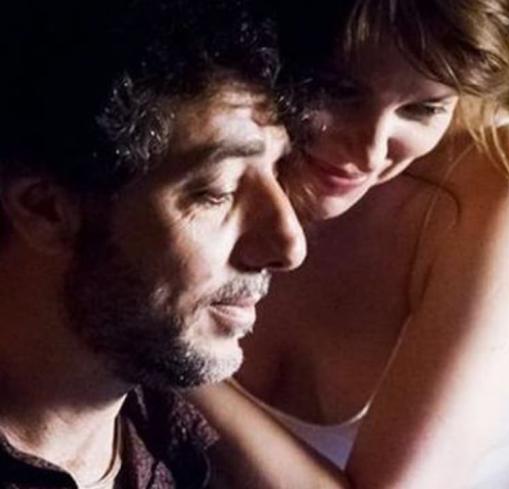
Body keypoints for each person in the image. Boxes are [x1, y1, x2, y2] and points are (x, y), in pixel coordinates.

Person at [190, 0, 509, 487]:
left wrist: (158, 352)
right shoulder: (178, 152)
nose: (371, 152)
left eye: (423, 109)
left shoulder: (501, 177)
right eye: (340, 91)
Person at [0, 1, 314, 487]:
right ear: (46, 210)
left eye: (277, 173)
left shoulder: (173, 444)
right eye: (217, 191)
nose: (290, 246)